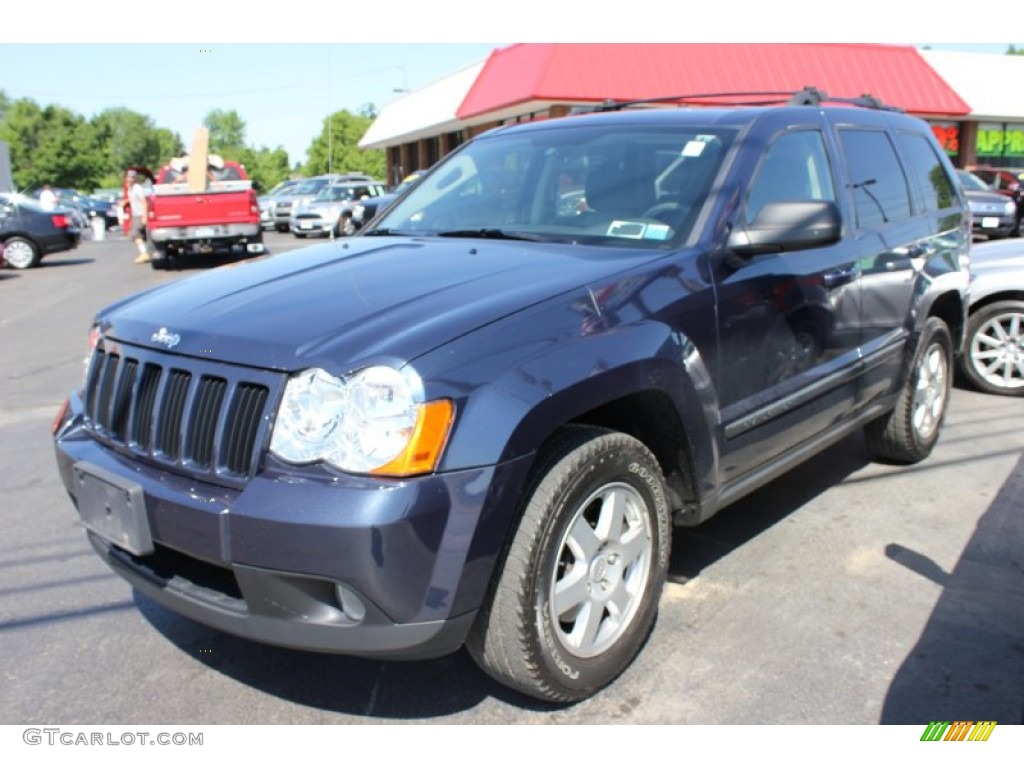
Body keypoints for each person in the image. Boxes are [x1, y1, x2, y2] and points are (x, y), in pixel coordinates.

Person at [125, 170, 151, 264]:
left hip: (140, 214)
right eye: (129, 177)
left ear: (135, 178)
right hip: (135, 215)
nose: (130, 179)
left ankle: (144, 253)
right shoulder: (130, 189)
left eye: (132, 177)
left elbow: (144, 202)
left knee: (135, 235)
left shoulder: (137, 188)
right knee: (141, 235)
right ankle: (146, 252)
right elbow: (132, 201)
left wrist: (144, 216)